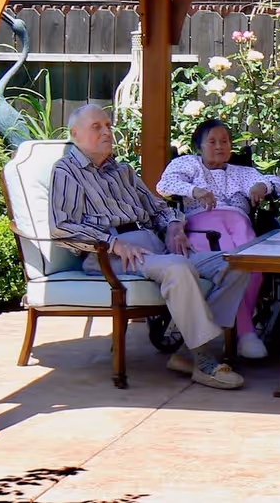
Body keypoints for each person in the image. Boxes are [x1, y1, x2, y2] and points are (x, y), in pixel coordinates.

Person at [49, 104, 249, 390]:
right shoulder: (67, 171)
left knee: (237, 263)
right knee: (179, 268)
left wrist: (174, 227)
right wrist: (113, 243)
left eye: (107, 125)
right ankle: (204, 360)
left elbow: (158, 208)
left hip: (153, 247)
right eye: (97, 127)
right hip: (111, 254)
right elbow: (62, 225)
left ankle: (185, 351)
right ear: (75, 134)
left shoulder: (122, 171)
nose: (107, 131)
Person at [156, 119, 280, 360]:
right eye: (212, 141)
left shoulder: (242, 172)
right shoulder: (188, 164)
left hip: (238, 221)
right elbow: (164, 184)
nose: (219, 146)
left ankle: (238, 332)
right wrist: (194, 191)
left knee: (253, 267)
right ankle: (245, 333)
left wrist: (262, 186)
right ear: (199, 146)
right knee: (232, 266)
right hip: (203, 223)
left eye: (224, 141)